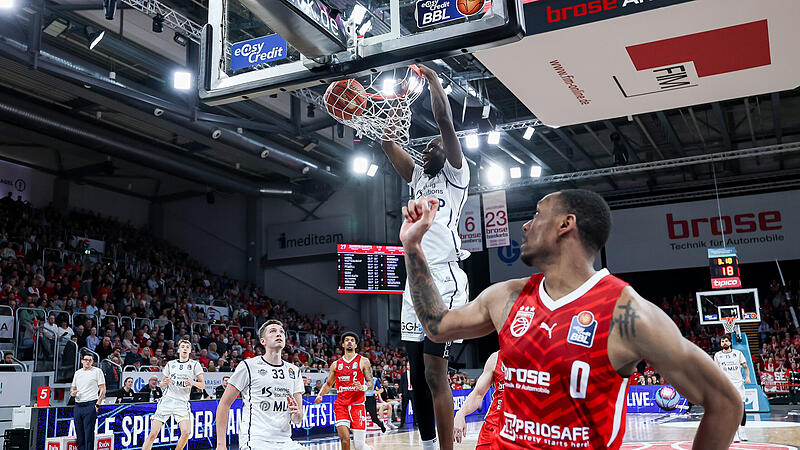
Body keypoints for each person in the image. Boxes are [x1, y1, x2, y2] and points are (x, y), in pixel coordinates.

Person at [399, 189, 744, 449]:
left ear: (566, 224)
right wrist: (413, 248)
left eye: (537, 214)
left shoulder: (626, 313)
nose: (526, 225)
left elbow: (726, 403)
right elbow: (436, 325)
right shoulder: (506, 297)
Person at [381, 64, 469, 450]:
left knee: (436, 372)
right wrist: (382, 106)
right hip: (414, 281)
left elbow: (445, 122)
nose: (428, 146)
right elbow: (387, 143)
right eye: (427, 145)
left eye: (433, 144)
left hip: (445, 279)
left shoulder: (455, 175)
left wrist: (432, 81)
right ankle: (429, 445)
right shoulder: (419, 178)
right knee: (416, 373)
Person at [215, 320, 304, 450]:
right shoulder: (248, 366)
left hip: (285, 442)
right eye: (273, 331)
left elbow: (297, 419)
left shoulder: (294, 371)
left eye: (281, 332)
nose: (278, 334)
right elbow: (224, 404)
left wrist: (296, 414)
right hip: (255, 441)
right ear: (263, 341)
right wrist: (221, 445)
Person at [314, 332, 373, 450]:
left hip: (357, 405)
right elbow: (329, 384)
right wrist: (320, 395)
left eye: (352, 340)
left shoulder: (364, 361)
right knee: (345, 440)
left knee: (359, 446)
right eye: (347, 340)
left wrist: (364, 387)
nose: (349, 342)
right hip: (341, 405)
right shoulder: (335, 365)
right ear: (343, 344)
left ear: (356, 345)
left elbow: (370, 382)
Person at [142, 339, 204, 450]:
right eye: (183, 347)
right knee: (153, 433)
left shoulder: (195, 364)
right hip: (167, 400)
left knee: (186, 432)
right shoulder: (171, 364)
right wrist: (163, 383)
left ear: (190, 351)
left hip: (182, 402)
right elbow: (161, 384)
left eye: (187, 347)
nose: (185, 348)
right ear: (179, 350)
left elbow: (202, 385)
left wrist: (193, 383)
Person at [453, 351, 502, 448]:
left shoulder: (538, 359)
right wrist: (461, 413)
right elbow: (478, 394)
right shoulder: (496, 358)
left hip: (526, 430)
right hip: (493, 428)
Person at [714, 335, 752, 442]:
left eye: (726, 341)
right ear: (721, 344)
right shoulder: (717, 355)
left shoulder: (738, 353)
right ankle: (734, 433)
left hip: (738, 384)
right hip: (726, 385)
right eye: (722, 341)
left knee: (742, 408)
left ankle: (742, 431)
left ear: (730, 343)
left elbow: (745, 366)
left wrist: (747, 377)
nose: (724, 343)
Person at [70, 354, 106, 450]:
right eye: (86, 360)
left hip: (90, 404)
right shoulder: (78, 373)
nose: (88, 362)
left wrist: (97, 404)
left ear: (92, 362)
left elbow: (103, 389)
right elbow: (72, 389)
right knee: (79, 433)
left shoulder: (97, 371)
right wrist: (73, 393)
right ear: (82, 361)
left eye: (90, 360)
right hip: (78, 405)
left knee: (89, 433)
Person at [398, 362, 413, 428]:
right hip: (406, 392)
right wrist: (400, 392)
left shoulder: (414, 373)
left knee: (415, 408)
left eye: (410, 365)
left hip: (413, 392)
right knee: (403, 408)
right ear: (406, 366)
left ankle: (416, 422)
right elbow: (401, 384)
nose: (409, 366)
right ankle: (402, 423)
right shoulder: (403, 374)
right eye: (408, 365)